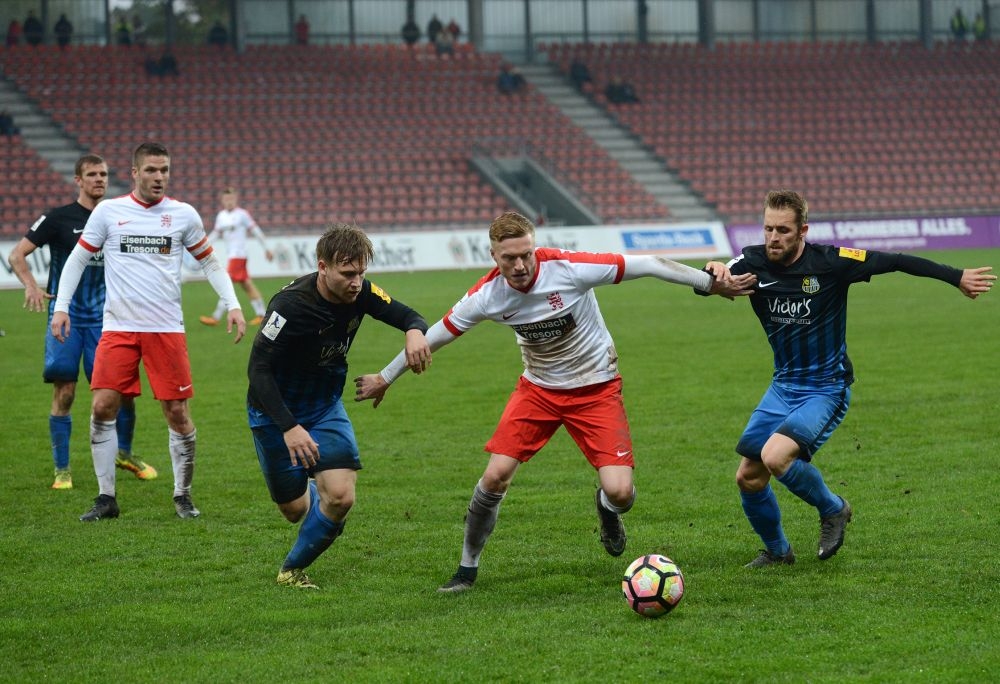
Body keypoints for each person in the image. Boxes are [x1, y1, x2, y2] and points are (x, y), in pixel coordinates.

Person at [354, 211, 755, 592]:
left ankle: (606, 509)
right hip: (539, 392)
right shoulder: (486, 295)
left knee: (620, 493)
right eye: (509, 257)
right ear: (494, 256)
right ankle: (466, 570)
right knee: (494, 477)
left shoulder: (568, 268)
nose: (520, 264)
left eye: (526, 254)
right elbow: (435, 336)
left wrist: (707, 284)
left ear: (535, 247)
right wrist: (384, 378)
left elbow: (649, 262)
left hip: (596, 388)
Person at [701, 190, 995, 568]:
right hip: (783, 386)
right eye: (768, 228)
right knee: (749, 477)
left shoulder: (832, 262)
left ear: (803, 230)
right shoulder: (753, 259)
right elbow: (710, 281)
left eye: (783, 230)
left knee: (775, 457)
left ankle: (834, 509)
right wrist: (713, 273)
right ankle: (777, 552)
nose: (773, 238)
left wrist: (955, 277)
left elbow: (896, 260)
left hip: (826, 387)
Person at [51, 141, 247, 522]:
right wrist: (61, 308)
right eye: (152, 170)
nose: (160, 177)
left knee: (176, 412)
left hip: (165, 329)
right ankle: (106, 497)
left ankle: (182, 495)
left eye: (165, 170)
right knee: (102, 405)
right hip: (119, 328)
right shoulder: (109, 212)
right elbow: (77, 259)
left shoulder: (183, 215)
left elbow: (210, 263)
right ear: (135, 173)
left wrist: (234, 304)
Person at [247, 224, 431, 589]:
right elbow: (258, 369)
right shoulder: (289, 307)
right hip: (275, 413)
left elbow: (409, 316)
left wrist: (414, 332)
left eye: (361, 273)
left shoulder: (361, 292)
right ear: (323, 267)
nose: (356, 282)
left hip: (325, 407)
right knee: (294, 510)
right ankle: (315, 489)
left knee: (342, 497)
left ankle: (290, 570)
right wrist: (289, 427)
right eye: (348, 274)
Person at [7, 155, 159, 490]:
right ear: (78, 180)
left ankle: (124, 453)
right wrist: (32, 285)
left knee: (122, 393)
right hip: (67, 320)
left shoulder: (119, 216)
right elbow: (17, 254)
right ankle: (62, 470)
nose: (99, 180)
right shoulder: (59, 218)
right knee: (66, 390)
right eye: (92, 174)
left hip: (109, 322)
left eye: (104, 174)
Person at [200, 188, 274, 327]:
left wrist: (267, 248)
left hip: (239, 255)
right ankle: (261, 314)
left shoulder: (242, 215)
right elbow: (216, 233)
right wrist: (203, 246)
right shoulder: (221, 216)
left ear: (236, 199)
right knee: (247, 285)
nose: (229, 202)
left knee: (225, 283)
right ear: (222, 201)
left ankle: (215, 317)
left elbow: (256, 231)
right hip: (232, 256)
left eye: (231, 199)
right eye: (226, 199)